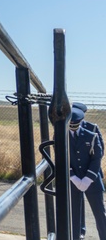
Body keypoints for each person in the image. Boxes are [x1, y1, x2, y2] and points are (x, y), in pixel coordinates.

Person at [69, 103, 106, 240]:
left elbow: (98, 153)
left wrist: (88, 178)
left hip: (91, 176)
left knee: (99, 212)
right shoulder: (63, 131)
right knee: (75, 212)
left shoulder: (92, 129)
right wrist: (73, 177)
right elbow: (62, 157)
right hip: (74, 179)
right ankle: (78, 235)